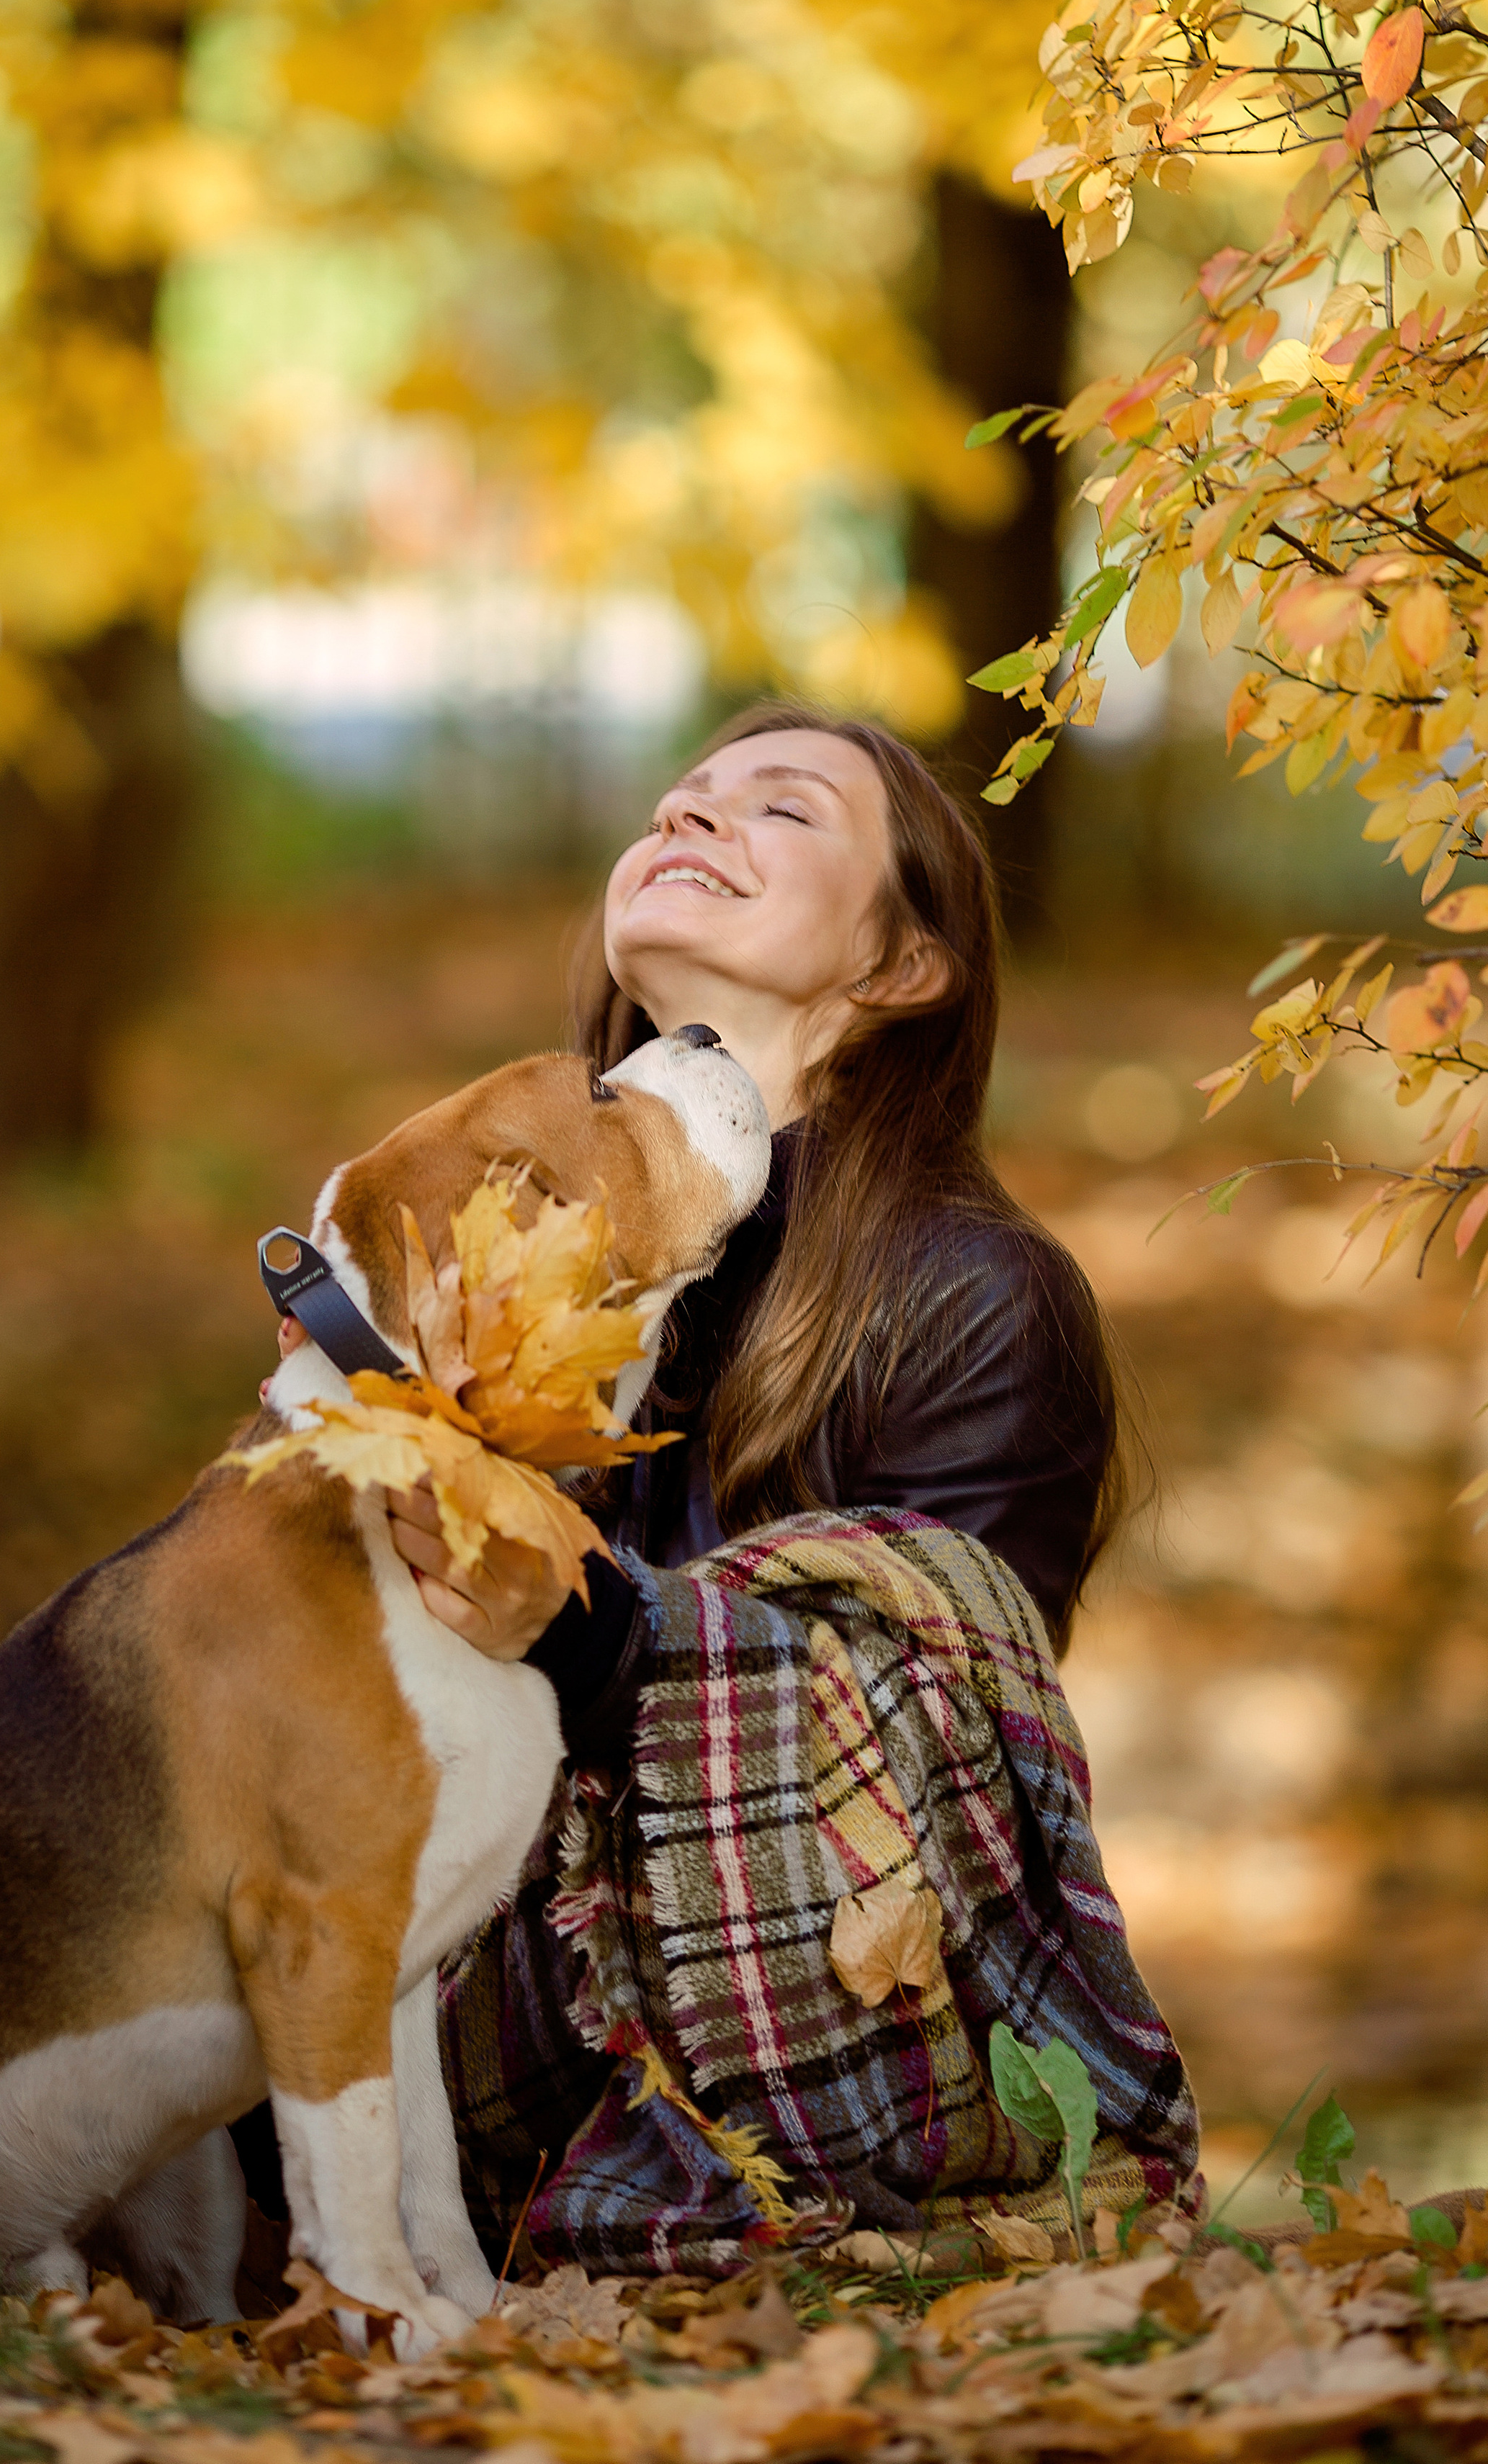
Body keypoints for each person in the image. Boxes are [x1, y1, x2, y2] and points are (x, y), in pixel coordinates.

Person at [254, 699, 1198, 2275]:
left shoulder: (975, 1294)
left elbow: (929, 1738)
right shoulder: (487, 1229)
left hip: (794, 2006)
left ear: (899, 967)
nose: (690, 820)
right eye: (677, 801)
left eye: (778, 811)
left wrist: (577, 1626)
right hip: (444, 1944)